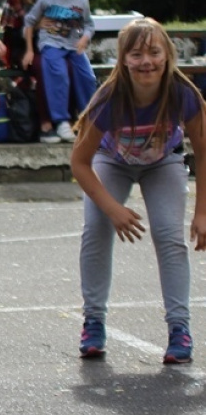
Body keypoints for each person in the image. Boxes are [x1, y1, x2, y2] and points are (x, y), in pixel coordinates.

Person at [72, 19, 203, 363]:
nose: (147, 61)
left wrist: (203, 212)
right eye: (137, 54)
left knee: (168, 235)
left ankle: (179, 329)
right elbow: (80, 162)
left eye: (154, 52)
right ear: (124, 60)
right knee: (96, 227)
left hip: (163, 162)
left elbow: (203, 151)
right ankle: (94, 322)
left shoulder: (182, 93)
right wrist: (112, 209)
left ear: (168, 55)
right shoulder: (110, 99)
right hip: (111, 161)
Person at [23, 0, 96, 144]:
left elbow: (89, 24)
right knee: (59, 74)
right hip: (51, 43)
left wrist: (85, 39)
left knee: (87, 76)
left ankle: (88, 117)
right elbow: (29, 22)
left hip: (73, 44)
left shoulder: (81, 0)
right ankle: (61, 120)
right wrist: (30, 50)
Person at [0, 0, 53, 140]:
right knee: (42, 67)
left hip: (53, 48)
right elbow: (10, 37)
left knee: (70, 67)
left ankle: (71, 120)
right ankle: (47, 124)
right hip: (22, 50)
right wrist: (34, 26)